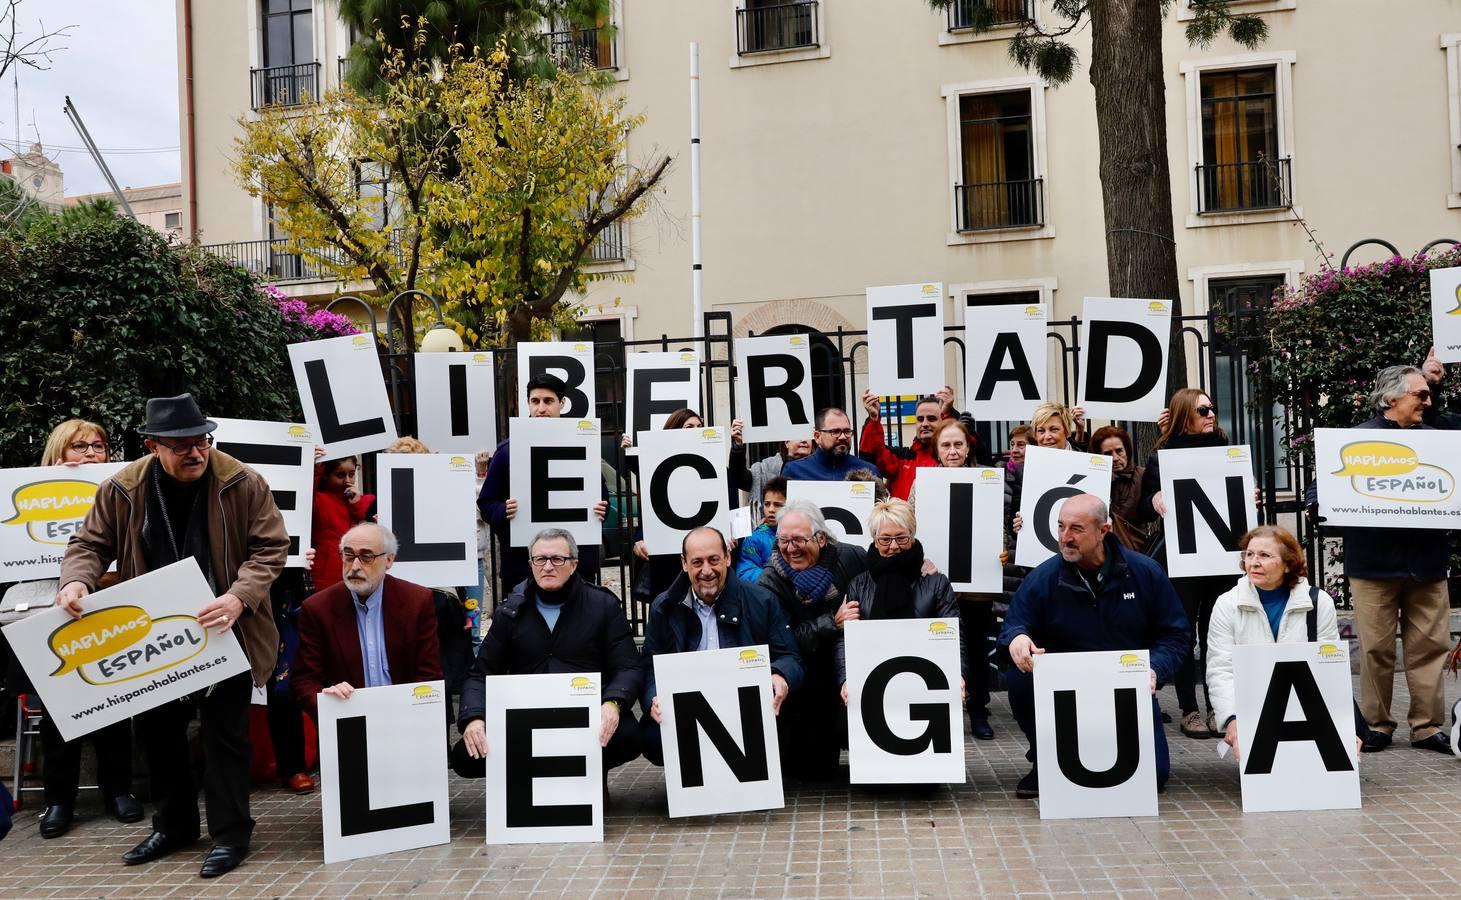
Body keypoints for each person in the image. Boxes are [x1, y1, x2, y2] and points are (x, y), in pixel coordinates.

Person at [57, 394, 288, 878]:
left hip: (227, 626)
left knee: (226, 734)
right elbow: (89, 544)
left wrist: (239, 597)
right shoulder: (121, 488)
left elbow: (270, 548)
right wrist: (76, 580)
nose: (195, 453)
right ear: (152, 446)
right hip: (155, 631)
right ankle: (175, 825)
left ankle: (230, 835)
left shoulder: (242, 481)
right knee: (157, 732)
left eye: (201, 441)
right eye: (180, 445)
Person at [998, 495, 1189, 798]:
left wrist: (1155, 669)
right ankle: (1044, 758)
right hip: (1064, 688)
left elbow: (1176, 635)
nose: (1065, 537)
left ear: (1104, 530)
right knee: (1021, 675)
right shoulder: (1043, 578)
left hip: (1126, 687)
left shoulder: (1145, 572)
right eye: (1060, 527)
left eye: (1076, 528)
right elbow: (1014, 625)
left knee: (1153, 778)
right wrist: (1018, 639)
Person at [1305, 365, 1454, 754]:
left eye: (1427, 394)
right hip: (1373, 564)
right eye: (1420, 395)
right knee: (1376, 648)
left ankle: (1427, 727)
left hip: (1427, 562)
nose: (1428, 401)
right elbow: (1320, 489)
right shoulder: (1356, 439)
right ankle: (1377, 725)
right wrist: (1317, 505)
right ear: (1392, 399)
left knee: (1430, 646)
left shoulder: (1438, 442)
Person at [451, 528, 644, 789]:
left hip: (585, 719)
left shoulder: (603, 606)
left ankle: (591, 780)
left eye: (558, 559)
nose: (548, 567)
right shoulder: (509, 612)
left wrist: (613, 703)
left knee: (630, 735)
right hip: (528, 721)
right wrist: (474, 717)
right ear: (530, 564)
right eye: (540, 559)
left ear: (574, 564)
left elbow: (628, 667)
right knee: (466, 755)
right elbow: (479, 674)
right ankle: (530, 784)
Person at [28, 420, 143, 838]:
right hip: (50, 617)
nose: (93, 453)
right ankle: (59, 801)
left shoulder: (118, 493)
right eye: (80, 446)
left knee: (114, 700)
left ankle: (118, 792)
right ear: (59, 452)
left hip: (107, 610)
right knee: (60, 711)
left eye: (99, 446)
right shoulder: (27, 496)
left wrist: (100, 580)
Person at [639, 527, 804, 766]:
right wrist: (653, 697)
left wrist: (780, 674)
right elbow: (649, 664)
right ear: (684, 564)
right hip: (689, 711)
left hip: (747, 712)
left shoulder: (762, 600)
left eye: (714, 560)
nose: (707, 571)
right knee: (652, 738)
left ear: (727, 557)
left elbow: (790, 656)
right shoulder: (664, 607)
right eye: (697, 562)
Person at [1133, 388, 1243, 740]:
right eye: (1203, 410)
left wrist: (1248, 491)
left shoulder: (1226, 450)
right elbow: (1142, 509)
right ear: (1185, 416)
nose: (1211, 414)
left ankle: (1217, 707)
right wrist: (1156, 498)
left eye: (1212, 407)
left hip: (1220, 557)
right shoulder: (1163, 455)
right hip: (1183, 557)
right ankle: (1189, 708)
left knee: (1216, 633)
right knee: (1183, 631)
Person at [1205, 526, 1365, 763]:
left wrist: (1343, 725)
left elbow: (1330, 671)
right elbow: (1221, 670)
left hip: (1306, 705)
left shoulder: (1319, 602)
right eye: (1249, 554)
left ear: (1288, 564)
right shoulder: (1227, 604)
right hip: (1254, 706)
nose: (1254, 562)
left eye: (1265, 556)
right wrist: (1231, 720)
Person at [909, 418, 1008, 740]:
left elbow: (999, 529)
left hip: (977, 588)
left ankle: (979, 710)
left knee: (978, 650)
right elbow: (910, 528)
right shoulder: (922, 483)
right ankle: (940, 713)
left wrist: (1003, 550)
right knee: (938, 648)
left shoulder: (988, 481)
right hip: (936, 585)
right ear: (937, 450)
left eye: (958, 444)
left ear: (968, 448)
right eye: (946, 445)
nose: (953, 451)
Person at [756, 500, 868, 779]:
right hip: (805, 681)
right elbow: (782, 642)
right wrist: (832, 623)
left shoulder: (851, 557)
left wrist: (920, 563)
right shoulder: (770, 581)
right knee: (811, 773)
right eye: (783, 540)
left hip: (850, 670)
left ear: (820, 537)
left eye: (798, 540)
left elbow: (884, 567)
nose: (791, 548)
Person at [291, 523, 443, 720]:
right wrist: (326, 699)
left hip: (405, 719)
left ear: (389, 560)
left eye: (366, 557)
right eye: (348, 555)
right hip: (347, 722)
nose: (355, 566)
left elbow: (429, 676)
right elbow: (304, 680)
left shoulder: (417, 601)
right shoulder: (318, 608)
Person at [478, 374, 610, 596]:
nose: (541, 408)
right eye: (535, 401)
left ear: (562, 403)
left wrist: (601, 509)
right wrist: (503, 510)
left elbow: (602, 498)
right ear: (528, 404)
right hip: (522, 566)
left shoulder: (582, 446)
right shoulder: (507, 452)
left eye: (548, 401)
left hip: (575, 566)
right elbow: (486, 503)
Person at [836, 500, 965, 705]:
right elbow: (846, 639)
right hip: (872, 682)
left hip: (926, 679)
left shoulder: (935, 581)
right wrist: (846, 678)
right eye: (885, 539)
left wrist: (958, 674)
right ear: (875, 540)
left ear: (912, 537)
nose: (894, 546)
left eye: (901, 538)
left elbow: (954, 634)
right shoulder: (858, 585)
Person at [627, 407, 710, 601]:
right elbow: (649, 511)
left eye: (699, 426)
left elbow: (729, 507)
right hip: (666, 560)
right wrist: (639, 540)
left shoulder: (716, 466)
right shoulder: (656, 467)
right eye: (688, 426)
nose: (695, 430)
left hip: (701, 557)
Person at [857, 387, 989, 499]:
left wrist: (957, 419)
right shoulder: (902, 458)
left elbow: (978, 458)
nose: (925, 424)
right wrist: (874, 419)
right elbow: (869, 458)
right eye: (920, 419)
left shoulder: (955, 458)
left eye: (931, 418)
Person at [310, 456, 373, 591]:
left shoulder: (366, 500)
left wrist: (357, 504)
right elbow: (307, 490)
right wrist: (316, 466)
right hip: (327, 575)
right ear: (326, 476)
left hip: (361, 571)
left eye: (351, 474)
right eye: (340, 475)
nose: (347, 480)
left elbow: (371, 526)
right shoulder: (318, 500)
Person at [728, 427, 812, 522]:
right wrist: (738, 445)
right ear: (786, 442)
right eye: (798, 436)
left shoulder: (822, 468)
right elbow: (740, 479)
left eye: (808, 437)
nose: (804, 440)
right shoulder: (767, 468)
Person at [1090, 424, 1150, 552]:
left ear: (1127, 451)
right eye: (1108, 454)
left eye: (1119, 451)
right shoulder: (1093, 480)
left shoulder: (1143, 476)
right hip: (1100, 555)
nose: (1115, 458)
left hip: (1136, 553)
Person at [780, 408, 881, 482]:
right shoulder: (794, 471)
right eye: (835, 431)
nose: (843, 437)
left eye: (847, 431)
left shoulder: (869, 472)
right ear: (817, 436)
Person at [736, 476, 786, 583]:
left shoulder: (802, 536)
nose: (771, 510)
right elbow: (744, 573)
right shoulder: (754, 539)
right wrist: (778, 579)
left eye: (778, 505)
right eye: (767, 504)